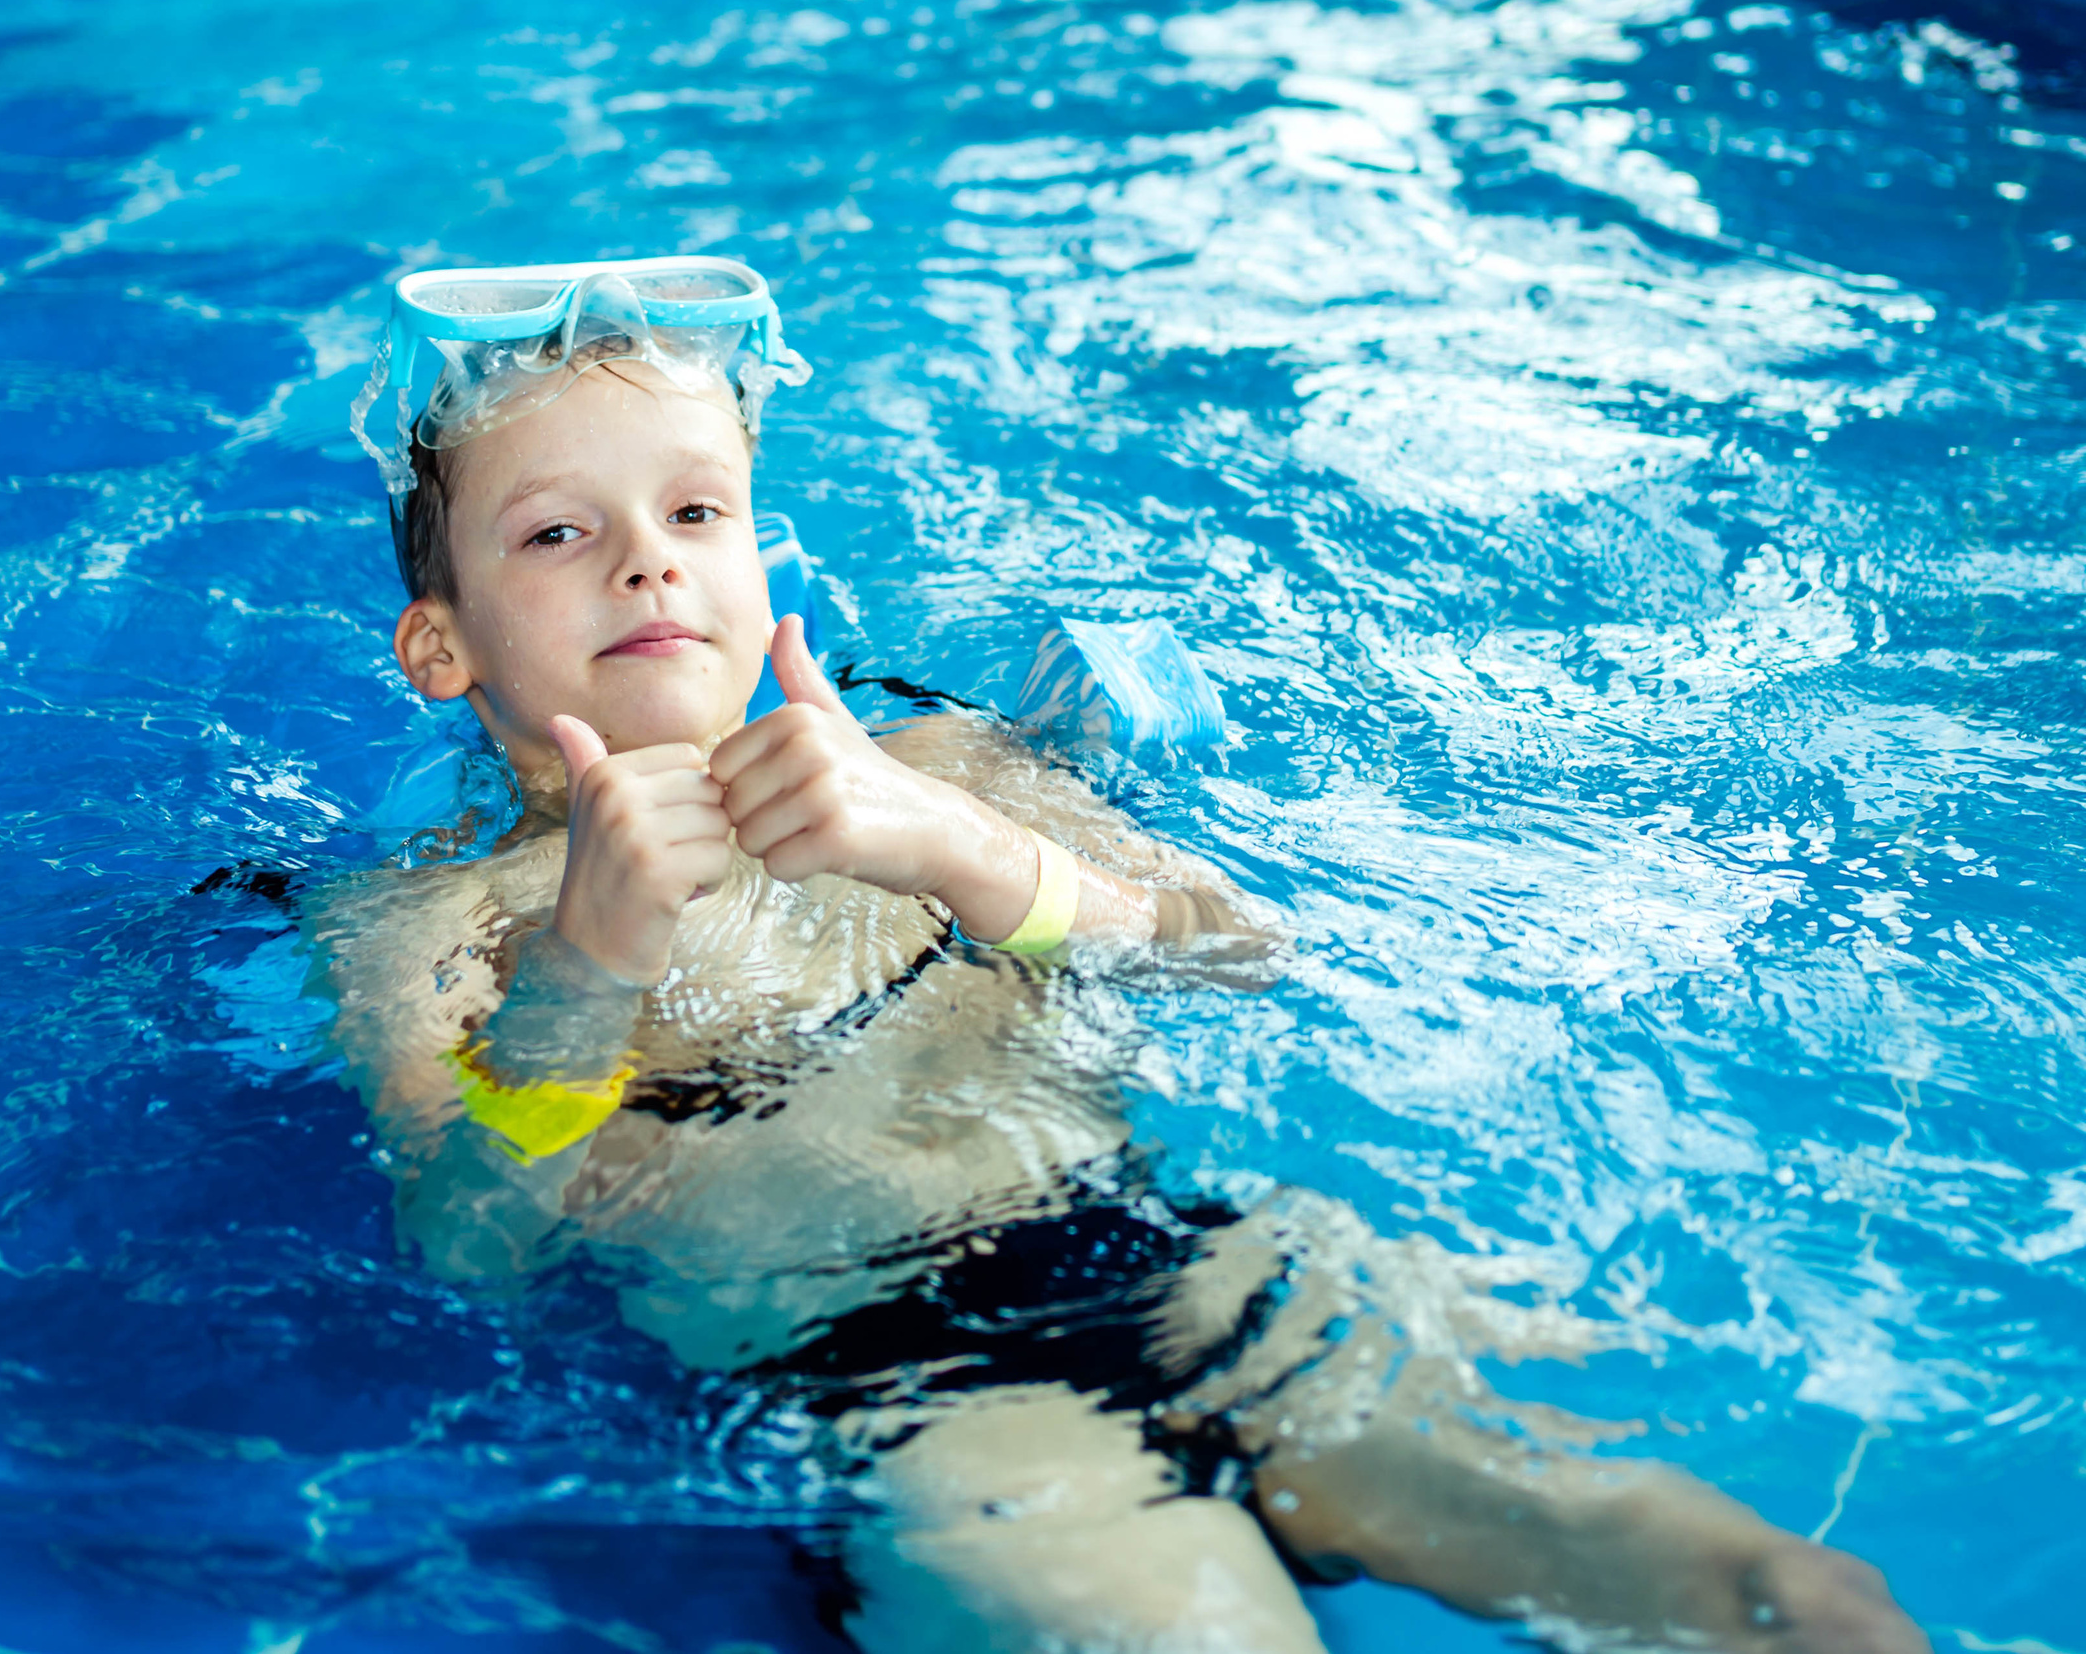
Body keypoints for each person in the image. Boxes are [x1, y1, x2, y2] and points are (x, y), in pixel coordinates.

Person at [309, 257, 1927, 1653]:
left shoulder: (936, 764)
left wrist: (965, 855)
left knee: (1792, 1604)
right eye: (556, 534)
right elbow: (465, 1249)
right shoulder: (433, 927)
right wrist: (584, 974)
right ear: (439, 642)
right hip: (897, 1394)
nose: (647, 560)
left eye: (692, 510)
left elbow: (1238, 953)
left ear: (753, 556)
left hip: (1181, 1260)